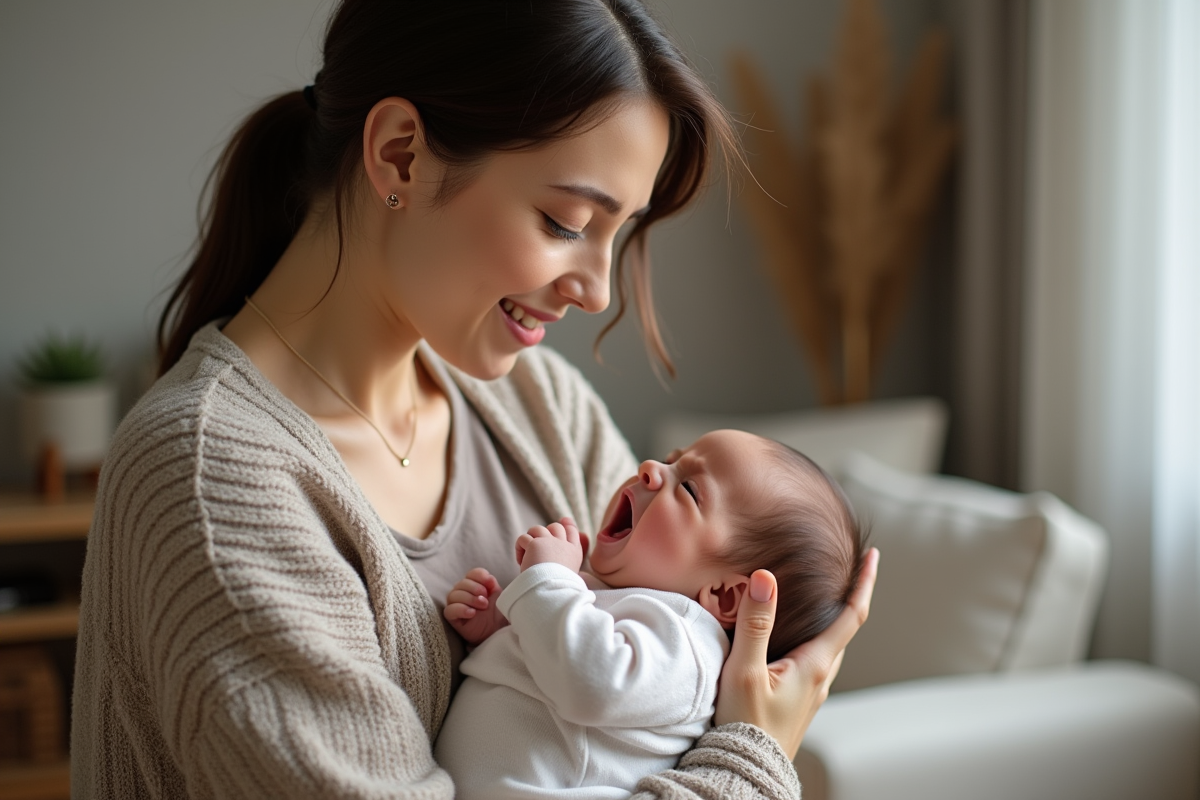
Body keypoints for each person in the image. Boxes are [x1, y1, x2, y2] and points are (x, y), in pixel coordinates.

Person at [70, 2, 879, 798]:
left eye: (619, 232)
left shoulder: (540, 404)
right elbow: (710, 741)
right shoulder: (212, 479)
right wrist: (753, 758)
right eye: (565, 222)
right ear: (399, 155)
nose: (597, 290)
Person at [436, 430, 866, 799]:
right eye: (673, 459)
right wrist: (498, 624)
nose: (649, 467)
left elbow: (594, 682)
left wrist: (547, 581)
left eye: (689, 489)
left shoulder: (690, 646)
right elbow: (547, 668)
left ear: (726, 595)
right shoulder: (605, 598)